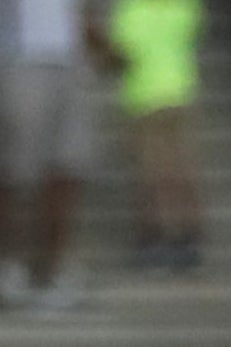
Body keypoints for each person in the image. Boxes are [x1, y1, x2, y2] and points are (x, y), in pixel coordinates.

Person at [0, 0, 101, 309]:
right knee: (15, 171)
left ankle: (56, 269)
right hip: (20, 57)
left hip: (71, 59)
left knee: (68, 164)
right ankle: (9, 264)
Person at [106, 0, 206, 269]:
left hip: (144, 97)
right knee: (181, 166)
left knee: (151, 170)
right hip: (179, 91)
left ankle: (154, 235)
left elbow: (121, 53)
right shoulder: (185, 6)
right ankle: (188, 231)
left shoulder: (133, 9)